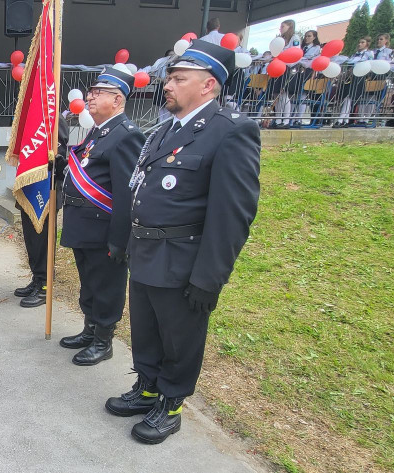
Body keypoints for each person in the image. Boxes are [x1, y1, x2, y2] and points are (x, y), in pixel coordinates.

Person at [106, 39, 260, 445]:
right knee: (146, 330)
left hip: (182, 260)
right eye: (169, 78)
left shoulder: (230, 131)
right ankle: (148, 388)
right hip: (145, 253)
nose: (168, 85)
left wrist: (209, 278)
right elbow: (141, 190)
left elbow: (232, 214)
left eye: (178, 78)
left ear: (208, 85)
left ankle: (171, 404)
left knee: (179, 337)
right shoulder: (163, 131)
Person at [57, 67, 144, 366]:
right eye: (90, 92)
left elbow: (126, 194)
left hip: (104, 230)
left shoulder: (126, 136)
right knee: (89, 283)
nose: (90, 97)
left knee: (106, 286)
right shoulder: (99, 131)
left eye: (98, 93)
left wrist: (120, 240)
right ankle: (90, 330)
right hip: (84, 227)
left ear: (117, 100)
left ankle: (103, 341)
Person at [13, 115, 68, 308]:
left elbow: (60, 151)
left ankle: (45, 285)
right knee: (32, 240)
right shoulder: (32, 116)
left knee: (43, 241)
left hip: (46, 190)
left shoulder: (53, 117)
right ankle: (37, 278)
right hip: (30, 189)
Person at [272, 29, 320, 128]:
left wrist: (300, 60)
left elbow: (309, 60)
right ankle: (289, 119)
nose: (306, 38)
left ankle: (298, 118)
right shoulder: (301, 46)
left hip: (306, 71)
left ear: (314, 37)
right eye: (306, 36)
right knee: (290, 95)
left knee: (302, 95)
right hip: (296, 70)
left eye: (309, 36)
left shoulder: (316, 48)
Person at [334, 36, 373, 128]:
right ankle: (345, 120)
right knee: (347, 98)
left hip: (359, 78)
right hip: (350, 77)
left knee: (350, 98)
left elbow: (368, 65)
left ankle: (341, 119)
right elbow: (350, 63)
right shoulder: (354, 54)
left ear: (367, 44)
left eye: (362, 42)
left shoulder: (368, 54)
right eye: (359, 42)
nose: (360, 44)